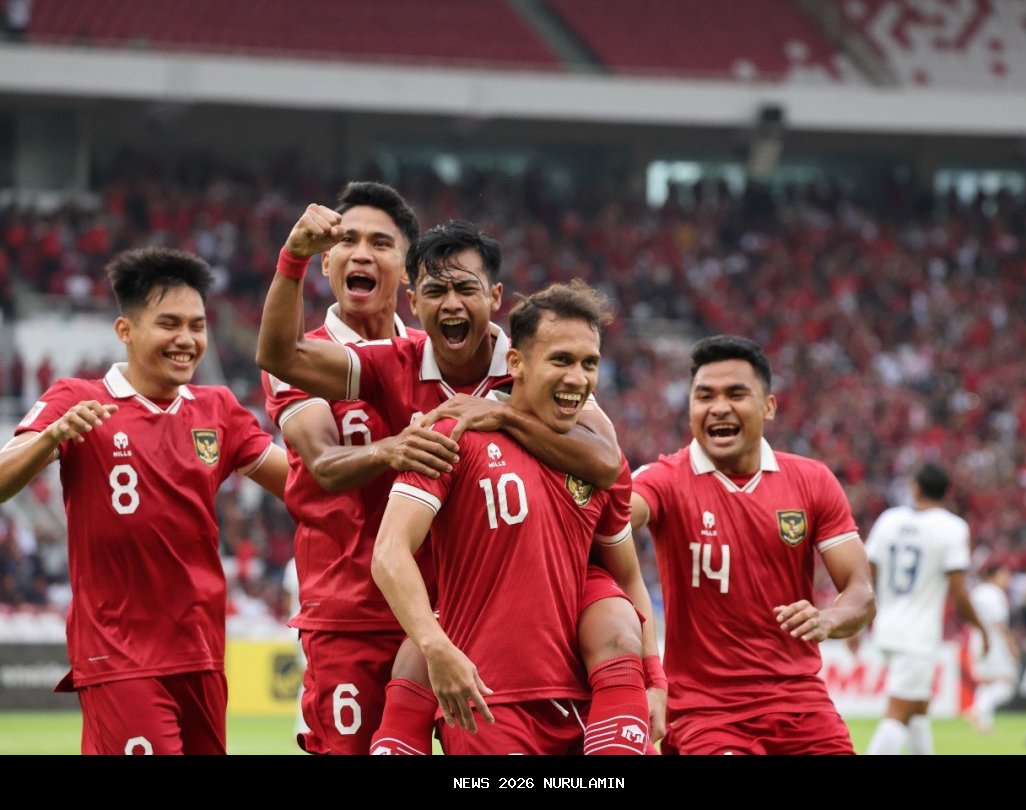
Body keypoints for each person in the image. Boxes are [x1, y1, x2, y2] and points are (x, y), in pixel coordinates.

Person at [258, 214, 665, 752]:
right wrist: (292, 260)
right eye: (436, 290)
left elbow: (605, 459)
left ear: (495, 296)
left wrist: (500, 415)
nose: (451, 304)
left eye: (466, 289)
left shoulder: (544, 364)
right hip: (406, 598)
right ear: (414, 301)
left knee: (612, 620)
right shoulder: (393, 365)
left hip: (512, 593)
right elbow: (280, 356)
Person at [0, 247, 288, 755]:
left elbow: (302, 487)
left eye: (197, 325)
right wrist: (49, 439)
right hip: (120, 657)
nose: (186, 339)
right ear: (125, 331)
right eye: (169, 323)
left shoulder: (218, 408)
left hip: (202, 657)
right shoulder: (76, 398)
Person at [371, 280, 652, 754]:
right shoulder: (454, 432)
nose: (578, 378)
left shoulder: (600, 461)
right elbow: (388, 552)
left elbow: (627, 578)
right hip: (488, 700)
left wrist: (656, 679)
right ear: (516, 363)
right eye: (561, 360)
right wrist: (436, 647)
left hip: (588, 704)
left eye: (590, 364)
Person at [261, 181, 458, 754]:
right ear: (327, 262)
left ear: (408, 270)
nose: (361, 253)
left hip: (445, 613)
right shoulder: (302, 352)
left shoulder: (435, 356)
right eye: (347, 240)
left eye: (381, 242)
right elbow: (322, 462)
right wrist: (390, 449)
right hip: (351, 616)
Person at [630, 334, 875, 755]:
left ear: (768, 406)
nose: (718, 407)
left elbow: (861, 591)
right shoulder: (664, 479)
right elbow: (614, 516)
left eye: (736, 394)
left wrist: (828, 619)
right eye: (704, 396)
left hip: (802, 705)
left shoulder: (812, 481)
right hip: (706, 715)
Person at [864, 463, 987, 756]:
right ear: (947, 493)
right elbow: (958, 590)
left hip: (886, 626)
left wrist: (860, 618)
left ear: (915, 487)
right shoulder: (952, 527)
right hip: (917, 634)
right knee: (899, 713)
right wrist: (981, 627)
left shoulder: (889, 519)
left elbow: (868, 572)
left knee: (918, 709)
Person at [966, 561, 1019, 734]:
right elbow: (999, 623)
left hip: (977, 640)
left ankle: (984, 723)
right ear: (993, 576)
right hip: (995, 644)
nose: (1007, 579)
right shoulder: (995, 594)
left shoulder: (978, 592)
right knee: (1007, 684)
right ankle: (977, 710)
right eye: (1004, 575)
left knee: (987, 682)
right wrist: (1011, 644)